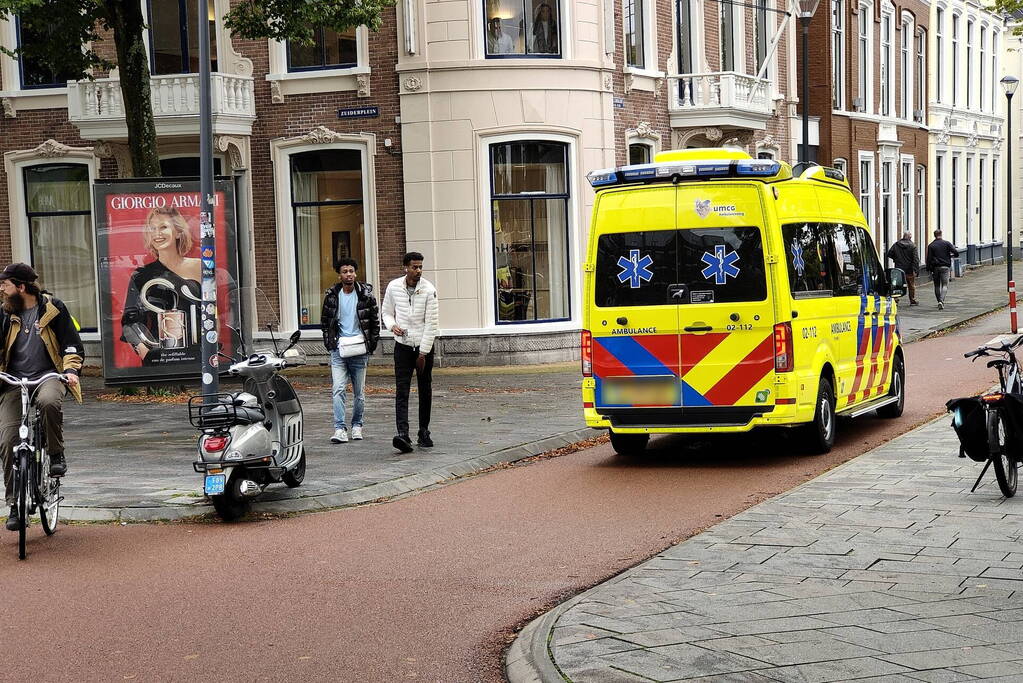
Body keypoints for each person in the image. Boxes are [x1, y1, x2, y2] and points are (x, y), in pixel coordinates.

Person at [0, 264, 83, 531]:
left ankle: (56, 454)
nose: (2, 289)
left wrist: (70, 370)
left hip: (49, 375)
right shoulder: (4, 313)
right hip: (13, 381)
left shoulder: (53, 308)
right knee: (8, 439)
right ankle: (14, 504)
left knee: (49, 402)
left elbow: (72, 344)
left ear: (21, 287)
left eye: (5, 284)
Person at [120, 206, 202, 365]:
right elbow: (129, 322)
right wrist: (145, 352)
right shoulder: (141, 276)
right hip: (160, 358)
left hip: (196, 357)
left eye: (163, 227)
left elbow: (215, 311)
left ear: (178, 232)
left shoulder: (200, 267)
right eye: (152, 229)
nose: (156, 233)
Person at [381, 252, 439, 454]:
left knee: (425, 389)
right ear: (405, 267)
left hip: (423, 346)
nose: (418, 271)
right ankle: (403, 434)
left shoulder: (429, 289)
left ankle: (424, 431)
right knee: (402, 390)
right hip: (403, 345)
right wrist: (392, 325)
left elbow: (432, 324)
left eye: (421, 266)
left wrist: (423, 352)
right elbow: (386, 312)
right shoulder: (394, 287)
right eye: (414, 267)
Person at [320, 257, 380, 445]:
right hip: (338, 351)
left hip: (360, 350)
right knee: (338, 389)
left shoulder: (366, 295)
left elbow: (374, 322)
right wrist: (331, 344)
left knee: (359, 392)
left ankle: (357, 425)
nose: (349, 274)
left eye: (352, 271)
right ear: (339, 275)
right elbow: (325, 322)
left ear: (356, 273)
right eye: (345, 271)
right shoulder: (331, 296)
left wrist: (371, 345)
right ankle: (339, 428)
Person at [926, 229, 959, 310]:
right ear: (941, 234)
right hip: (945, 267)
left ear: (934, 235)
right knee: (945, 285)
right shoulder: (946, 243)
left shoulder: (931, 245)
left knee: (937, 285)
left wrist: (928, 268)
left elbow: (929, 258)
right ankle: (941, 301)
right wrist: (951, 255)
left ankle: (939, 301)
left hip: (935, 268)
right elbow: (956, 252)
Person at [886, 231, 920, 306]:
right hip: (909, 269)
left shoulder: (896, 244)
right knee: (911, 285)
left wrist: (896, 259)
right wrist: (916, 270)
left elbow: (889, 254)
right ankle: (912, 300)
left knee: (897, 284)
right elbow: (916, 259)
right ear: (910, 237)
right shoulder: (913, 246)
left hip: (899, 269)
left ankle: (896, 299)